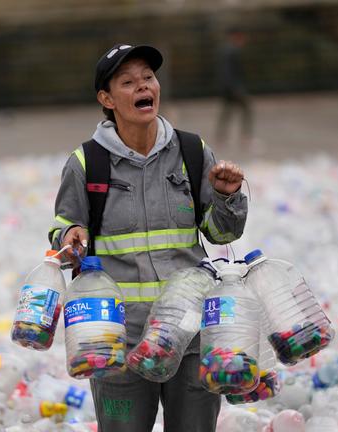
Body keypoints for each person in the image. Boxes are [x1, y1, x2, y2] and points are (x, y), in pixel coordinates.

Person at [48, 44, 248, 432]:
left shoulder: (192, 151)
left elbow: (222, 232)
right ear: (107, 99)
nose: (143, 86)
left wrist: (227, 196)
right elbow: (64, 229)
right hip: (119, 341)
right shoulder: (87, 163)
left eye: (148, 77)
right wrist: (70, 236)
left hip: (190, 335)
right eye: (128, 81)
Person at [215, 27, 254, 151]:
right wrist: (235, 88)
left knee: (227, 112)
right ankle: (245, 137)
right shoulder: (232, 51)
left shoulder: (226, 50)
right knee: (246, 109)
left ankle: (221, 137)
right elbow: (229, 72)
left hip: (228, 88)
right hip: (233, 88)